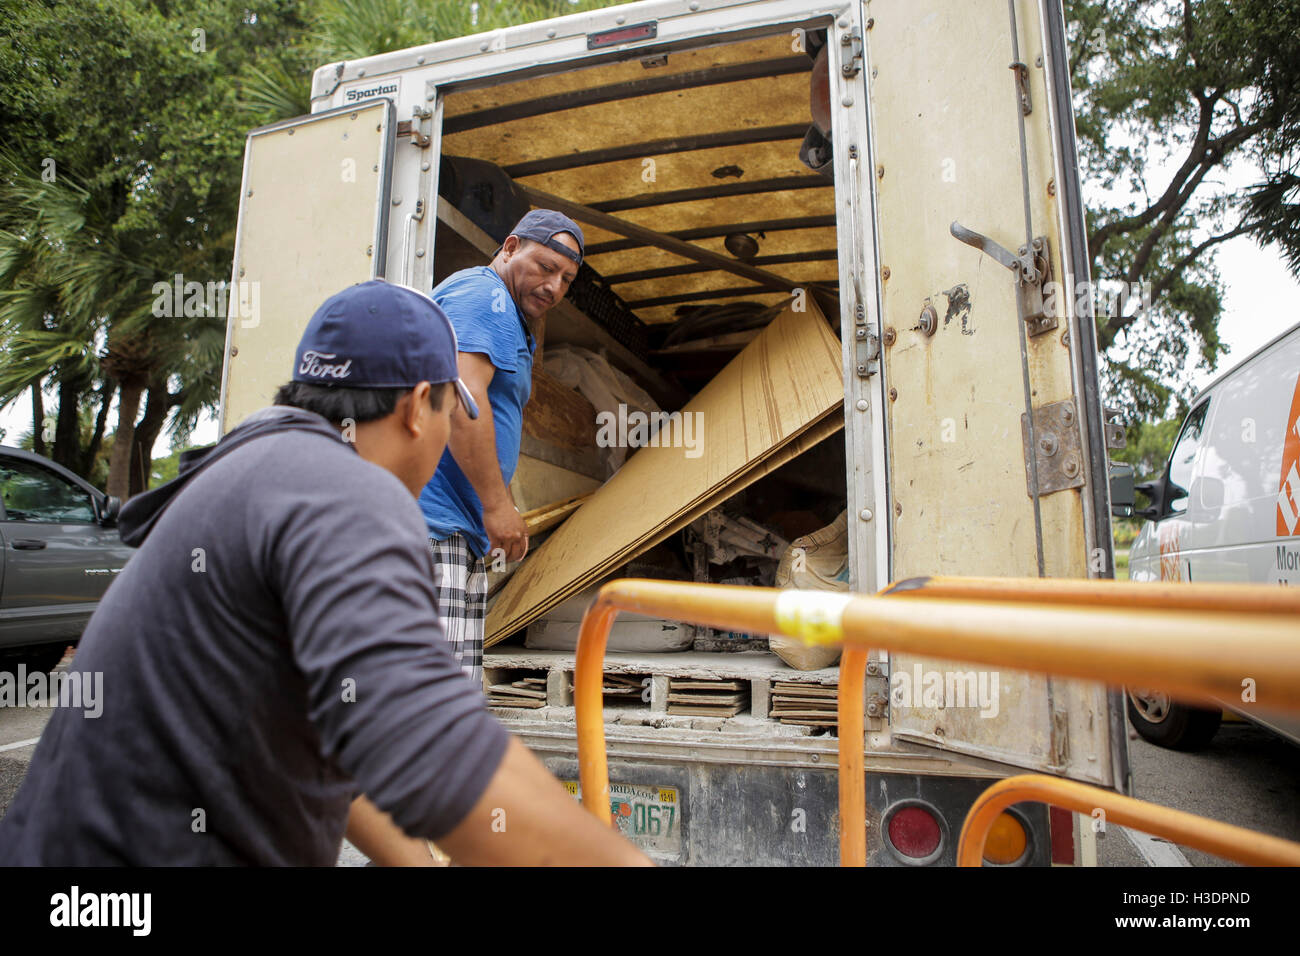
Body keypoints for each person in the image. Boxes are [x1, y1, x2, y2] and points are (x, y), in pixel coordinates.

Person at [0, 280, 647, 866]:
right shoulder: (349, 494)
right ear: (419, 406)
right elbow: (436, 753)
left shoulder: (261, 466)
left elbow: (347, 744)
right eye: (453, 410)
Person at [419, 209, 584, 686]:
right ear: (510, 247)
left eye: (567, 279)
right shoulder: (483, 295)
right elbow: (459, 400)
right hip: (430, 528)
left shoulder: (507, 314)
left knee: (450, 700)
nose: (554, 287)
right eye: (545, 267)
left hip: (455, 534)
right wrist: (497, 506)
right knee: (433, 709)